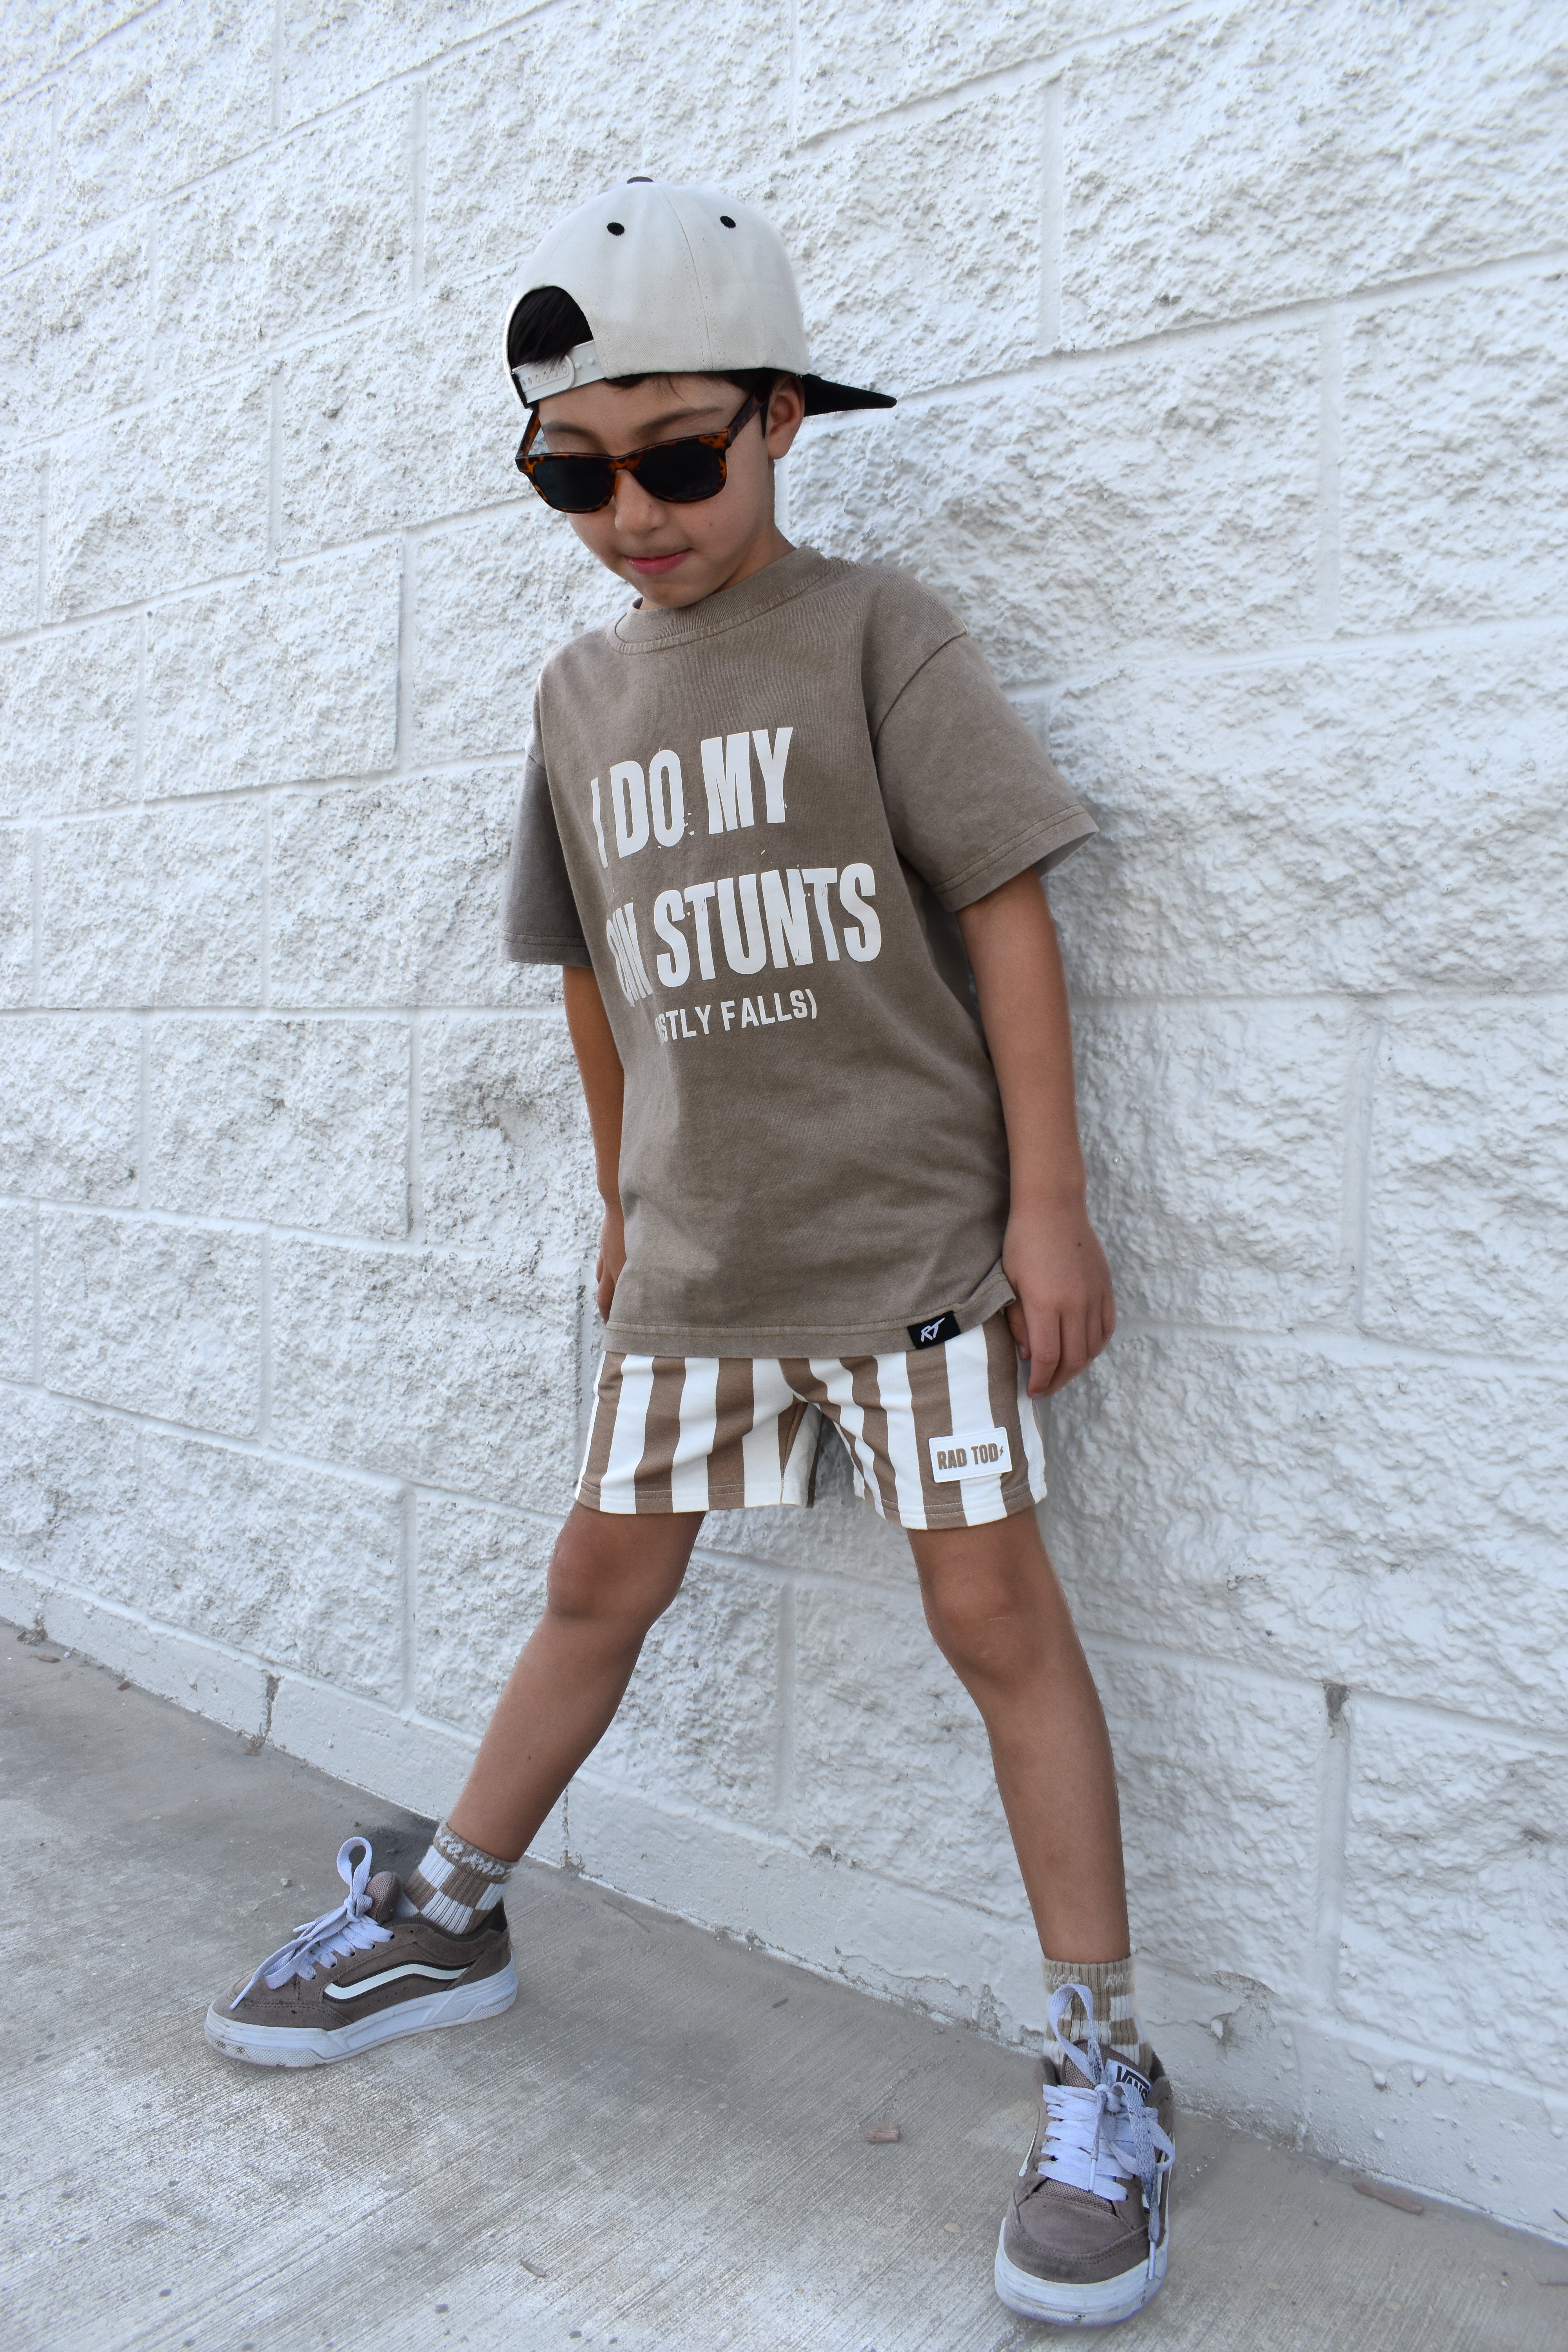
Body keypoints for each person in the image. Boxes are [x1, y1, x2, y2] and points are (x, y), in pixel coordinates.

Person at [205, 179, 1176, 2329]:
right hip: (695, 1268)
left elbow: (1004, 900)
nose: (630, 511)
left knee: (996, 1618)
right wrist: (621, 1205)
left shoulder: (873, 632)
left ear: (779, 426)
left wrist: (1047, 1204)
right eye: (576, 472)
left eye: (675, 458)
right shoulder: (577, 696)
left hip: (912, 1247)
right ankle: (454, 1909)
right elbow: (591, 984)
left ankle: (1104, 2058)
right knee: (596, 1583)